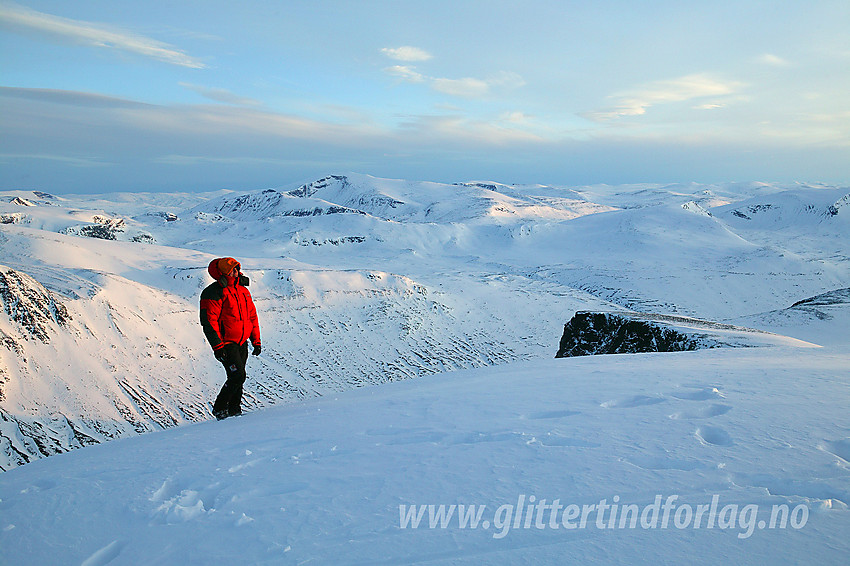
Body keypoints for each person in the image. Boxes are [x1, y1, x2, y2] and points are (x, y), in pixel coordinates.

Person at [199, 257, 261, 420]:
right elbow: (209, 322)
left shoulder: (243, 290)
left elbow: (252, 316)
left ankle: (234, 411)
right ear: (224, 273)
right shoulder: (213, 293)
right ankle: (220, 408)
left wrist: (256, 340)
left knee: (238, 378)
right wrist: (218, 347)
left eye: (237, 268)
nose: (237, 272)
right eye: (233, 269)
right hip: (227, 343)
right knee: (237, 376)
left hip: (242, 342)